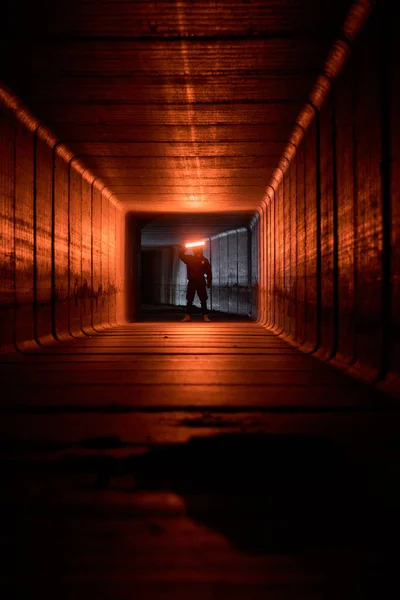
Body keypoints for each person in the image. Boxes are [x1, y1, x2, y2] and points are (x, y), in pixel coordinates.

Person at [179, 245, 212, 322]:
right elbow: (181, 255)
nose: (198, 252)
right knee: (190, 299)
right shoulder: (190, 259)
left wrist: (209, 281)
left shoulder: (204, 260)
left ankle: (205, 316)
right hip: (193, 281)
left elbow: (208, 272)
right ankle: (189, 316)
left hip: (199, 281)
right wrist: (184, 248)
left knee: (202, 299)